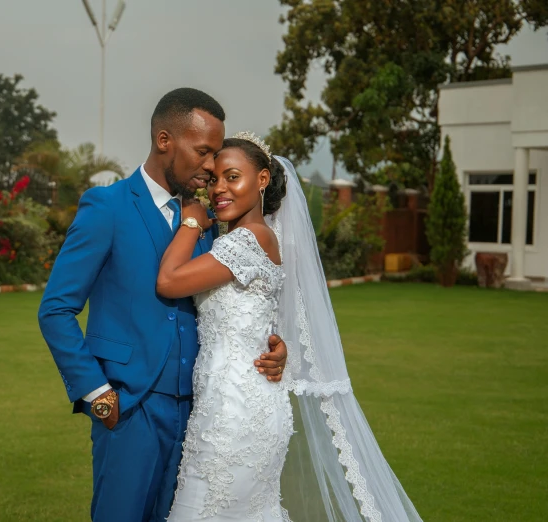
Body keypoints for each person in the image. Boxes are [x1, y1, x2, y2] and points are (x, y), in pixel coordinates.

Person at [37, 89, 288, 522]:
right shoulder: (108, 207)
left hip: (200, 415)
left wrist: (274, 345)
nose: (211, 167)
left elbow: (238, 296)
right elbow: (55, 309)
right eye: (204, 152)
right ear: (165, 140)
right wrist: (97, 393)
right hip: (129, 407)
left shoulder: (212, 225)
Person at [158, 133, 424, 521]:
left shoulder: (248, 239)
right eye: (214, 179)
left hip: (235, 415)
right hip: (233, 405)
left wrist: (191, 221)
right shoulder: (251, 239)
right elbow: (267, 316)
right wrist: (280, 347)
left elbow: (168, 281)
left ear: (263, 180)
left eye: (233, 177)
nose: (219, 189)